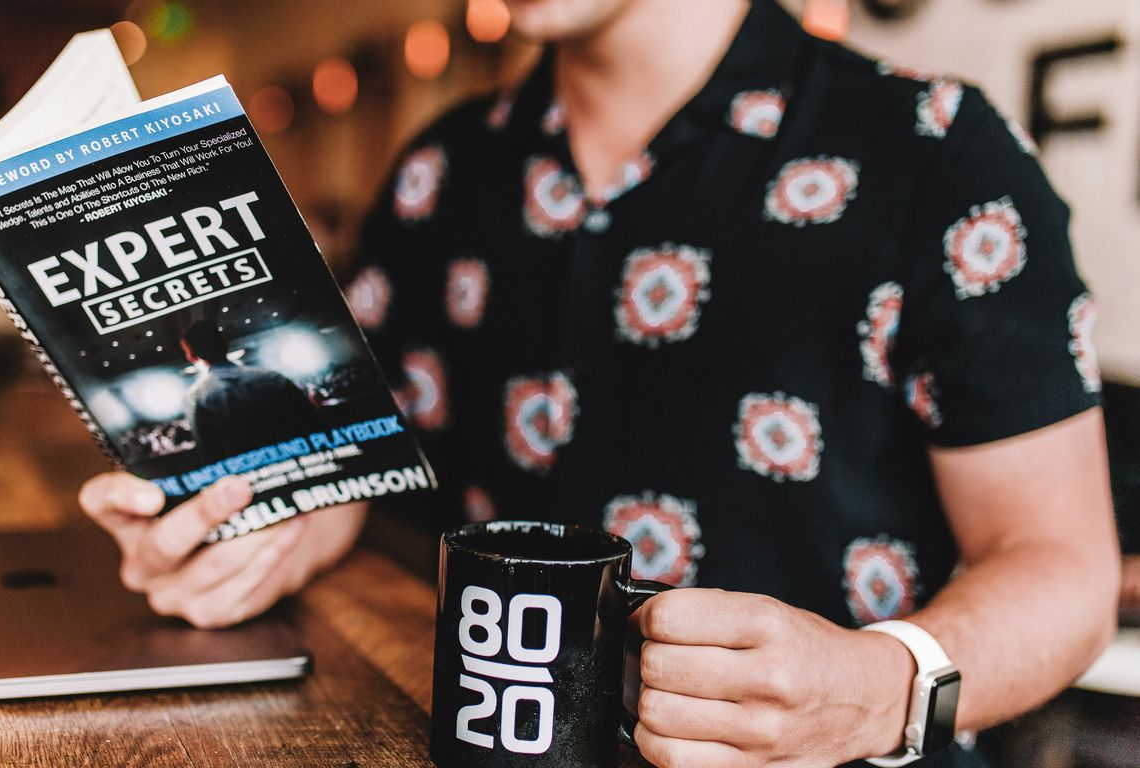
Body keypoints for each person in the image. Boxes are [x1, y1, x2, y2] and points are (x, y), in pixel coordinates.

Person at [81, 1, 1122, 766]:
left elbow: (1061, 568)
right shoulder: (440, 172)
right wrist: (258, 536)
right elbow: (371, 468)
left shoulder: (934, 150)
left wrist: (876, 687)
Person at [178, 320, 323, 460]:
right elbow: (312, 423)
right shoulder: (273, 377)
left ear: (191, 356)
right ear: (224, 344)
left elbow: (209, 452)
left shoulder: (196, 397)